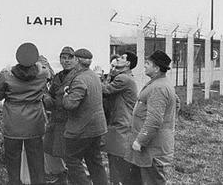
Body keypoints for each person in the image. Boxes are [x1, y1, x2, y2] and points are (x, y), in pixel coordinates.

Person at [0, 42, 49, 185]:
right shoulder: (43, 73)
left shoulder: (7, 74)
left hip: (13, 122)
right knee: (36, 161)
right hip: (35, 122)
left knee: (13, 160)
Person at [126, 50, 180, 185]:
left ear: (156, 68)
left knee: (153, 181)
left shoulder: (158, 87)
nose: (144, 65)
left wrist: (140, 140)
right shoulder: (160, 83)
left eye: (147, 63)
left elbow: (154, 119)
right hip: (150, 147)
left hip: (151, 149)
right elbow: (177, 104)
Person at [61, 48, 108, 185]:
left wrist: (66, 95)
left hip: (81, 129)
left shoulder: (80, 79)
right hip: (97, 128)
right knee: (95, 162)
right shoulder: (93, 76)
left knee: (72, 160)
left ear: (77, 61)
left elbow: (70, 104)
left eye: (73, 58)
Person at [42, 46, 77, 185]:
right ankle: (61, 175)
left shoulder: (78, 75)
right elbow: (50, 93)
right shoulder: (58, 76)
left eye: (70, 58)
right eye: (64, 58)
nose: (66, 61)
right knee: (50, 147)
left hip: (71, 119)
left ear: (75, 60)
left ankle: (78, 178)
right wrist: (46, 97)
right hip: (57, 118)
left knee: (71, 152)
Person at [102, 52, 138, 185]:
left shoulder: (123, 79)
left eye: (122, 58)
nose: (118, 59)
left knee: (117, 162)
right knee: (117, 161)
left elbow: (105, 90)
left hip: (121, 125)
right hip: (123, 124)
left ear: (128, 64)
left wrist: (99, 77)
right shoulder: (125, 77)